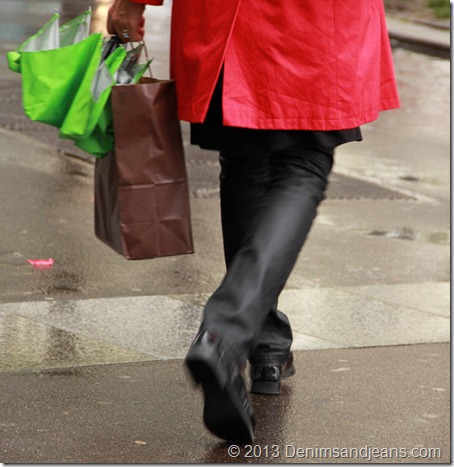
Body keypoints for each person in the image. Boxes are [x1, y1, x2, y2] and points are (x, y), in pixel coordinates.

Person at [107, 0, 400, 443]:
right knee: (302, 165)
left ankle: (264, 342)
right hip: (317, 20)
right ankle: (227, 335)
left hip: (228, 20)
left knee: (245, 163)